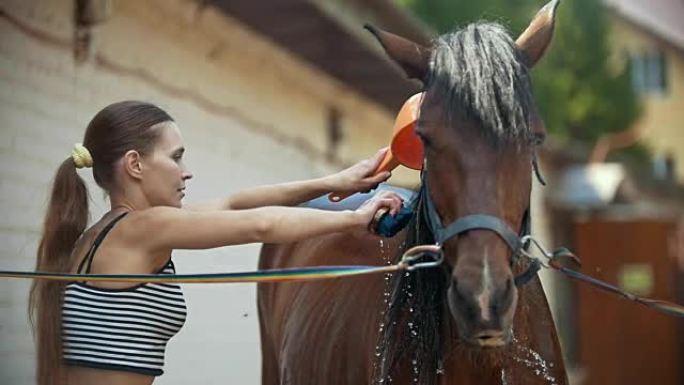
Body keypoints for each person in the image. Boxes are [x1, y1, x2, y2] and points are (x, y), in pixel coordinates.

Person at [28, 100, 403, 385]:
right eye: (176, 158)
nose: (187, 171)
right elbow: (261, 225)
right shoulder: (143, 228)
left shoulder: (101, 235)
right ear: (135, 165)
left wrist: (334, 182)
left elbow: (234, 203)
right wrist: (355, 218)